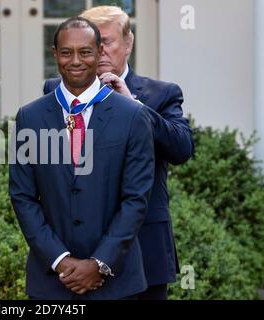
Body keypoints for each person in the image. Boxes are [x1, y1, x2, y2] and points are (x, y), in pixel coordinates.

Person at [43, 6, 195, 300]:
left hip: (144, 245)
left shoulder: (160, 94)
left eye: (107, 42)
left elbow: (181, 150)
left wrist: (134, 107)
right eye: (93, 43)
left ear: (128, 43)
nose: (99, 52)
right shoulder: (55, 90)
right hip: (76, 250)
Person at [9, 17, 155, 300]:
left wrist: (99, 263)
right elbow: (22, 196)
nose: (75, 60)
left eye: (85, 51)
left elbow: (136, 198)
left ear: (100, 52)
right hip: (51, 282)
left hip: (117, 281)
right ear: (55, 54)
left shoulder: (133, 116)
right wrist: (60, 260)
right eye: (66, 52)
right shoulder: (30, 117)